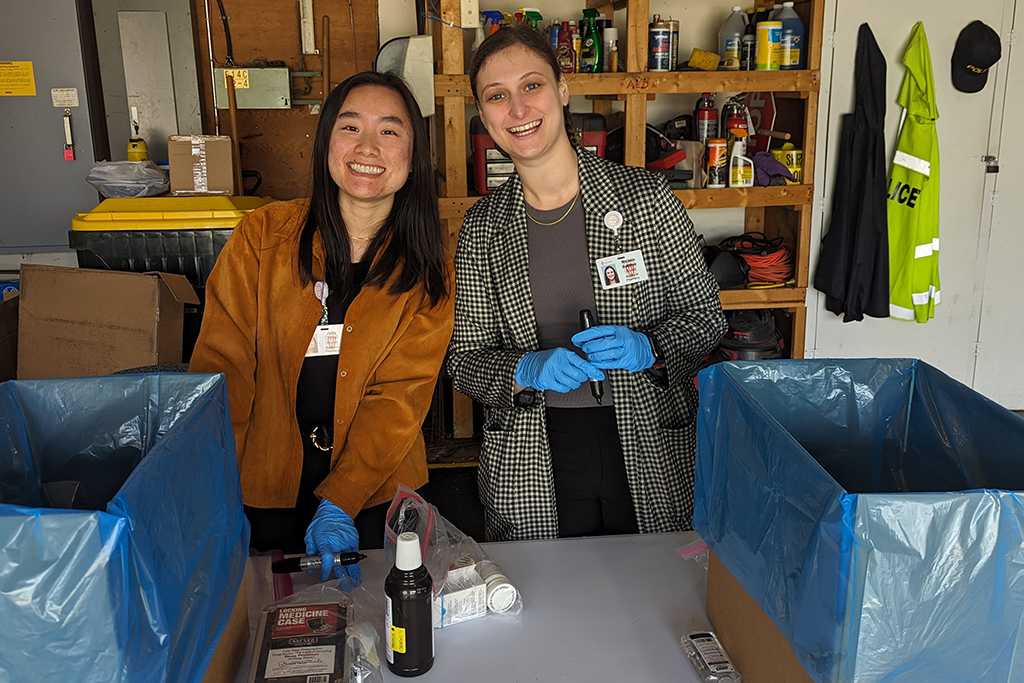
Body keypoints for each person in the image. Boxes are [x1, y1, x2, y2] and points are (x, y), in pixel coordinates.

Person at [446, 26, 727, 542]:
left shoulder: (646, 199)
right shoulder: (483, 228)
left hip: (649, 443)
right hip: (531, 457)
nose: (518, 108)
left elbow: (706, 319)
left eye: (531, 86)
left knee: (656, 601)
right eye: (497, 96)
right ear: (483, 116)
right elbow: (464, 361)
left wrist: (651, 347)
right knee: (546, 610)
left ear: (562, 90)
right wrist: (524, 369)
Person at [190, 71, 454, 581]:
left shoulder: (429, 269)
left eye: (390, 131)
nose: (368, 147)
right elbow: (223, 368)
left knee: (379, 636)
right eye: (350, 127)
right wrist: (212, 486)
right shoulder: (262, 238)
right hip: (260, 491)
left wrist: (342, 499)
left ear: (414, 156)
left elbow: (400, 398)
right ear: (327, 141)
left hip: (373, 497)